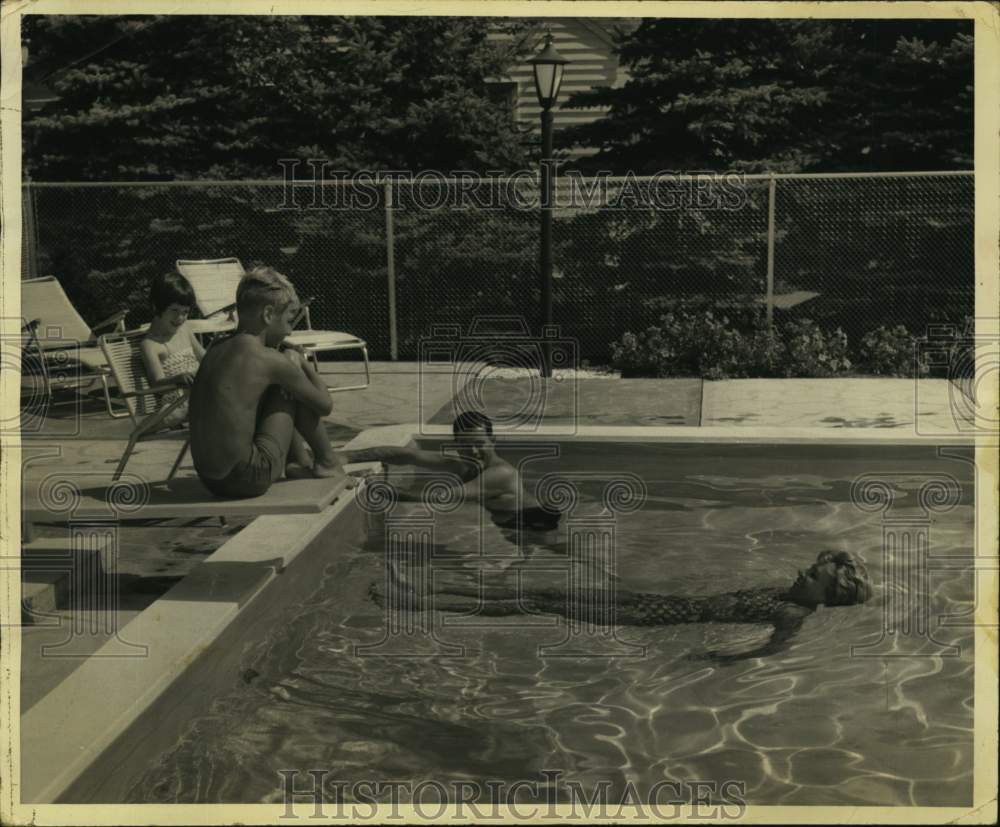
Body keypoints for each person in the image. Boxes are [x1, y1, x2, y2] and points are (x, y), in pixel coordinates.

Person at [373, 550, 872, 662]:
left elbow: (773, 650)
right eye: (811, 568)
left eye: (814, 576)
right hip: (658, 602)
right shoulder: (788, 592)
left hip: (649, 617)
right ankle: (425, 586)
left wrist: (718, 658)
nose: (803, 572)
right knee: (547, 591)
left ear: (826, 597)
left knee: (534, 604)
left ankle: (416, 605)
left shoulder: (792, 613)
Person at [188, 265, 349, 498]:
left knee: (281, 384)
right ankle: (327, 462)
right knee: (289, 386)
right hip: (247, 478)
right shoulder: (267, 359)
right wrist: (300, 360)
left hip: (210, 479)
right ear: (268, 314)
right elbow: (324, 405)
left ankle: (299, 462)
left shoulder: (216, 346)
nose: (289, 332)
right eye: (289, 320)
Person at [341, 411, 562, 532]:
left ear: (492, 440)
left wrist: (392, 493)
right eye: (465, 445)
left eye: (480, 443)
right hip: (513, 523)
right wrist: (346, 457)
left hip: (537, 524)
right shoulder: (464, 465)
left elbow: (441, 497)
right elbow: (406, 455)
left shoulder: (502, 473)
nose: (473, 451)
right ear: (457, 445)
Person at [139, 272, 205, 429]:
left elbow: (205, 358)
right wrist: (178, 378)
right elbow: (157, 384)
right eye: (174, 310)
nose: (180, 318)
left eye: (185, 312)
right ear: (157, 307)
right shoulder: (150, 345)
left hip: (199, 394)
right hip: (177, 404)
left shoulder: (185, 330)